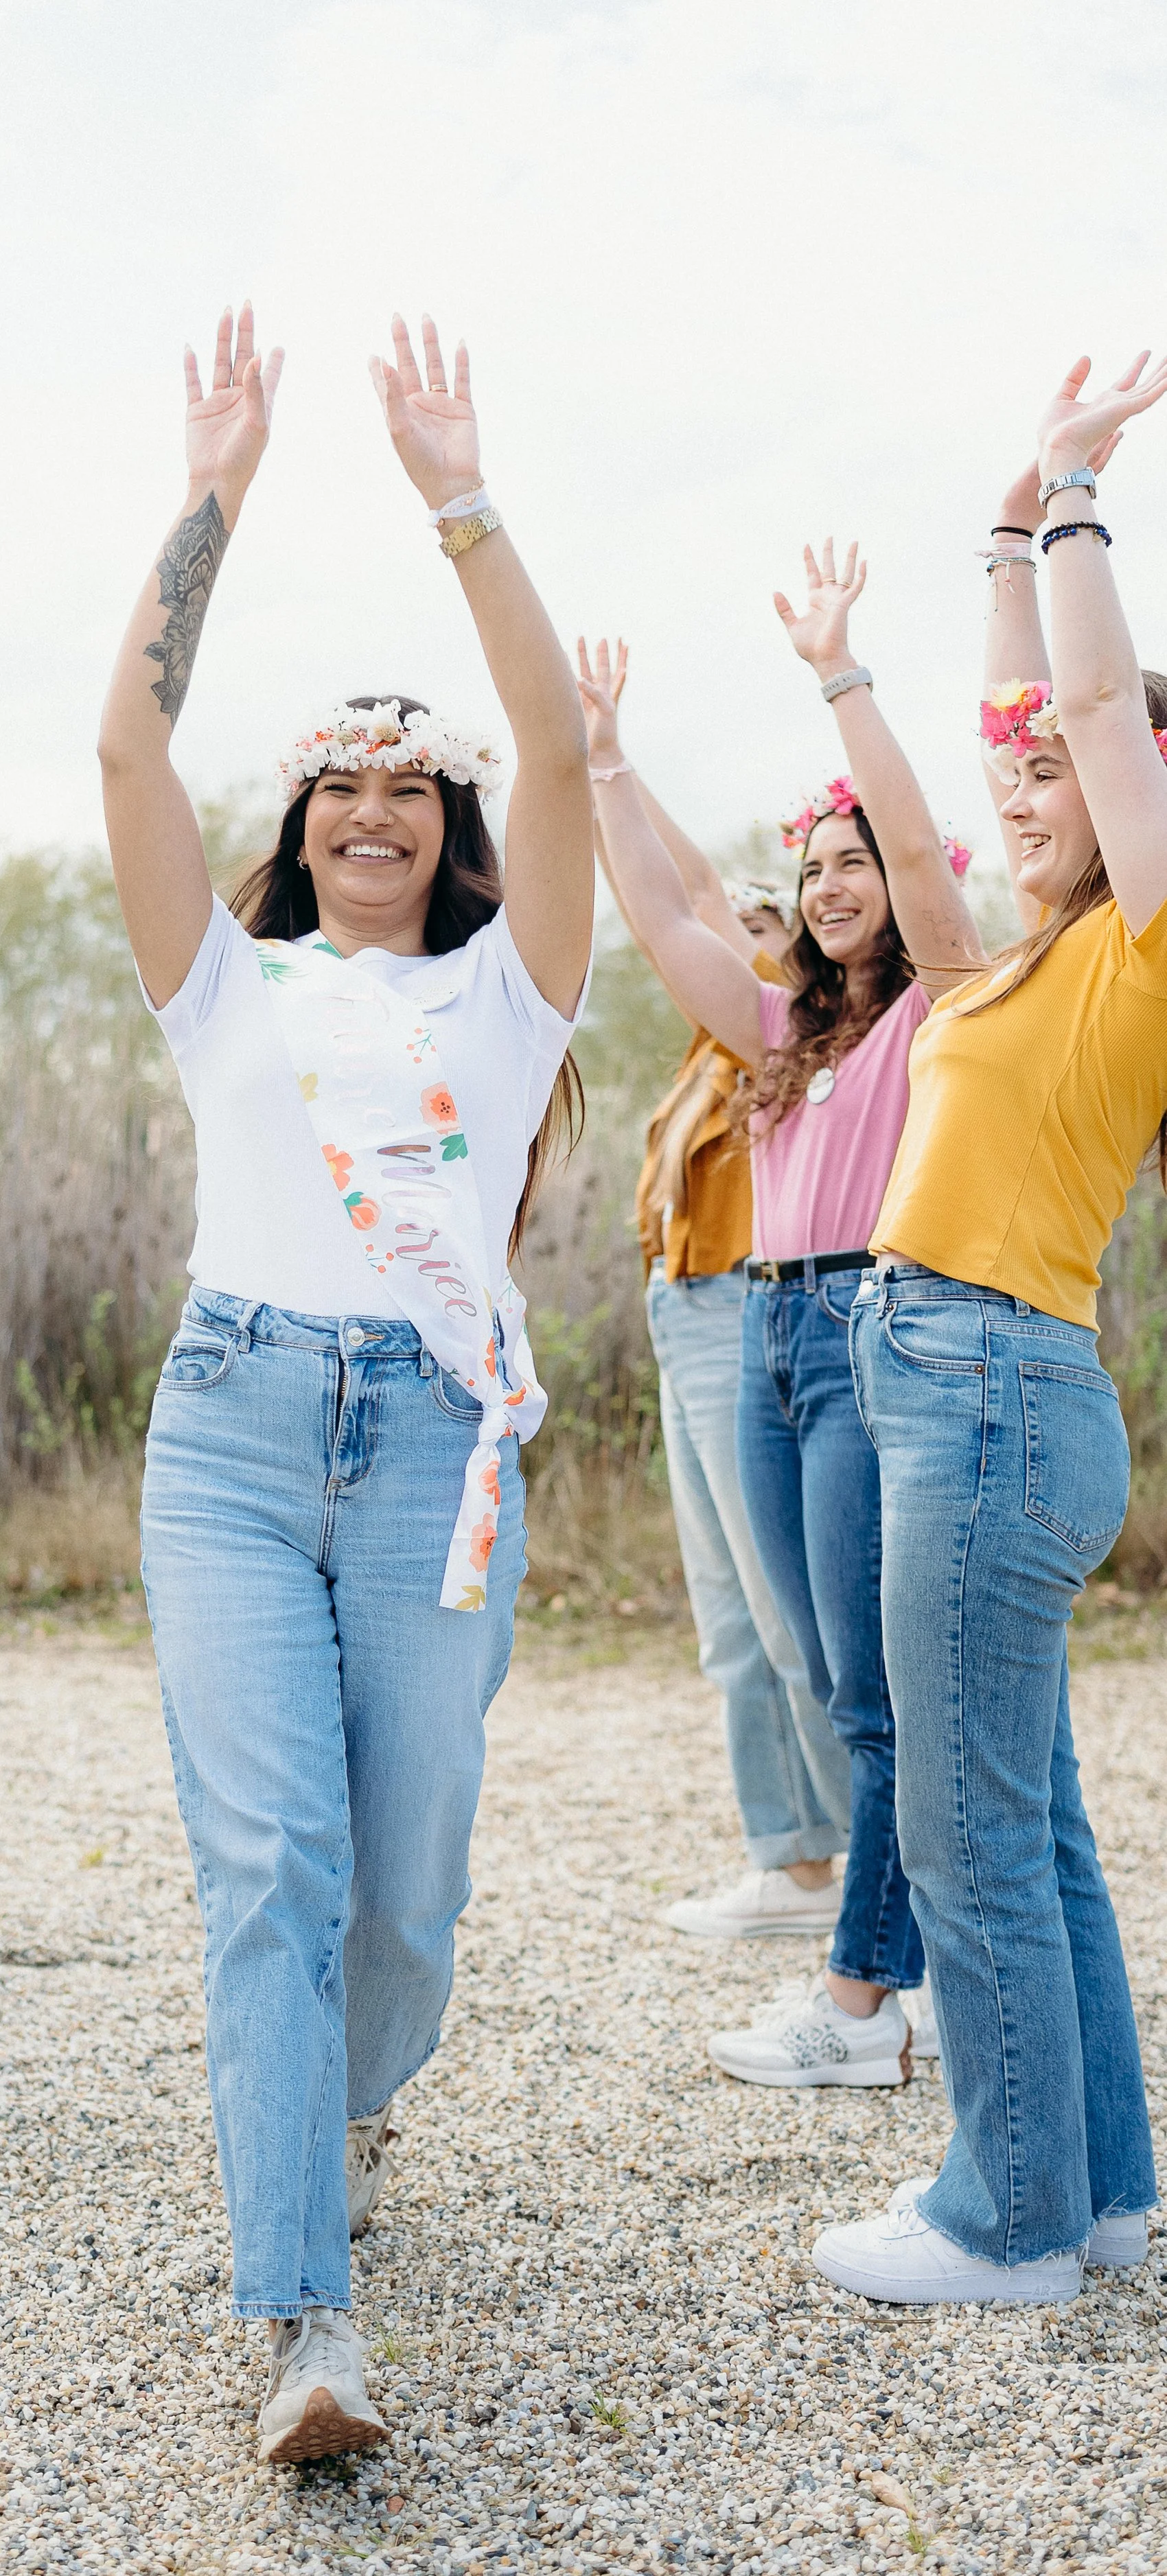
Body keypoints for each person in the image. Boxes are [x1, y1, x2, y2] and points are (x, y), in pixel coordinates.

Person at [98, 308, 593, 2463]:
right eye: (343, 781)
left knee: (400, 1894)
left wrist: (457, 501)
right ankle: (306, 2317)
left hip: (427, 1454)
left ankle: (334, 2097)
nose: (378, 803)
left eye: (415, 783)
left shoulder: (513, 994)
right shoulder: (228, 979)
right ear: (297, 824)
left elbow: (566, 758)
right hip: (226, 1429)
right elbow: (122, 758)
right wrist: (212, 488)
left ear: (449, 829)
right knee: (273, 1869)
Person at [813, 354, 1167, 2304]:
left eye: (1056, 782)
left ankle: (1003, 2216)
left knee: (961, 1833)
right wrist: (990, 548)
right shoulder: (1005, 960)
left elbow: (1099, 706)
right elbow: (1009, 722)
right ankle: (1099, 2200)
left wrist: (1072, 493)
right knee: (1034, 1829)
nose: (1023, 786)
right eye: (1013, 778)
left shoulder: (1147, 931)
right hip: (967, 1383)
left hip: (990, 1393)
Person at [580, 547, 982, 2091]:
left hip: (870, 1332)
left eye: (855, 859)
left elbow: (929, 889)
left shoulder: (935, 1012)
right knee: (831, 1676)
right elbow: (665, 917)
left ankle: (860, 1998)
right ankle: (909, 1968)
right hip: (762, 1337)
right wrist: (605, 762)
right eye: (811, 865)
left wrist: (836, 671)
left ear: (902, 873)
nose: (829, 885)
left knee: (874, 1688)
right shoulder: (777, 1030)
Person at [588, 646, 853, 1943]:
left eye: (765, 922)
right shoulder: (711, 1055)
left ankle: (855, 1860)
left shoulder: (796, 1033)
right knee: (728, 1614)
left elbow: (688, 895)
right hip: (680, 1314)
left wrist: (617, 770)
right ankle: (791, 1857)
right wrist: (608, 765)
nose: (736, 937)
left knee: (786, 1604)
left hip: (751, 1318)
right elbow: (685, 902)